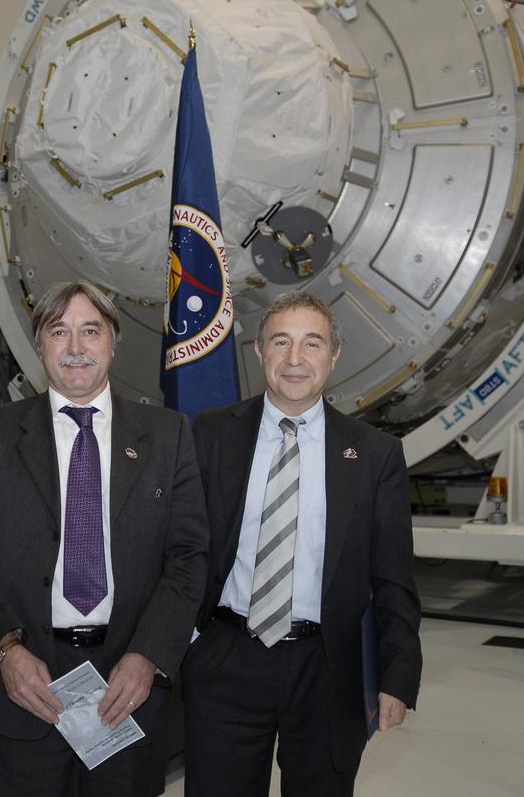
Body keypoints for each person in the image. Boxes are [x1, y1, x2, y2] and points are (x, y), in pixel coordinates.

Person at [0, 279, 208, 797]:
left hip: (126, 687)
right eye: (58, 331)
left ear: (114, 343)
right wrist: (7, 652)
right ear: (40, 344)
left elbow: (188, 558)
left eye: (90, 330)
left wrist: (150, 655)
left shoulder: (166, 435)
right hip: (28, 685)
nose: (75, 347)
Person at [183, 291, 422, 796]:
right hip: (227, 656)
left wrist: (397, 675)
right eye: (281, 342)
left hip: (327, 667)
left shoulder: (376, 455)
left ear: (334, 356)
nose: (295, 360)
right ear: (258, 351)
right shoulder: (211, 435)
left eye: (312, 344)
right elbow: (182, 548)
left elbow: (394, 577)